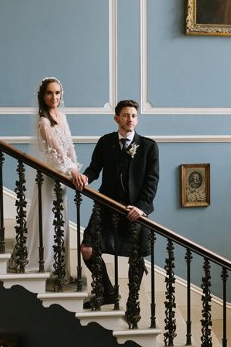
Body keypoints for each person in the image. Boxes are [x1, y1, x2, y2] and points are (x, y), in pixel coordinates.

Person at [80, 100, 160, 310]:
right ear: (116, 118)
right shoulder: (105, 142)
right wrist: (85, 178)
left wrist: (141, 208)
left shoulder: (149, 146)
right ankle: (107, 292)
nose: (130, 120)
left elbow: (152, 181)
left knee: (136, 258)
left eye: (133, 115)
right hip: (106, 207)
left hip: (134, 211)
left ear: (137, 118)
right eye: (125, 115)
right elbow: (94, 168)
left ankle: (133, 302)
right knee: (87, 248)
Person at [19, 77, 87, 280]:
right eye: (50, 93)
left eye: (57, 93)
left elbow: (70, 147)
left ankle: (61, 267)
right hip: (51, 176)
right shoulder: (44, 121)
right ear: (43, 96)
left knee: (61, 221)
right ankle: (46, 264)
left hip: (64, 175)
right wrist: (71, 171)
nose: (54, 97)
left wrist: (76, 168)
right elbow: (56, 152)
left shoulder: (62, 117)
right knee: (49, 220)